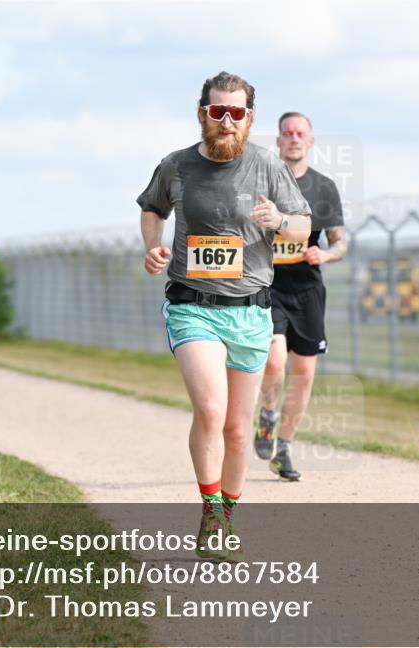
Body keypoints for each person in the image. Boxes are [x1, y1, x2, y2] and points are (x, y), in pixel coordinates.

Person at [137, 71, 311, 560]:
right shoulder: (176, 166)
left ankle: (225, 519)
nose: (227, 121)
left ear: (249, 118)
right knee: (210, 411)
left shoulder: (268, 166)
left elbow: (302, 226)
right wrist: (153, 247)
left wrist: (279, 221)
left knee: (237, 429)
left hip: (251, 312)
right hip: (193, 307)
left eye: (237, 113)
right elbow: (152, 209)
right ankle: (210, 509)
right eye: (219, 112)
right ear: (203, 113)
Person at [253, 112, 347, 481]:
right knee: (275, 361)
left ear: (310, 141)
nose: (293, 138)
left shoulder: (323, 187)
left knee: (304, 374)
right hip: (268, 284)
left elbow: (339, 242)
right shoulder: (262, 182)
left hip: (307, 288)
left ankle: (284, 447)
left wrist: (324, 254)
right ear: (278, 141)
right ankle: (268, 416)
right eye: (287, 133)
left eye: (300, 133)